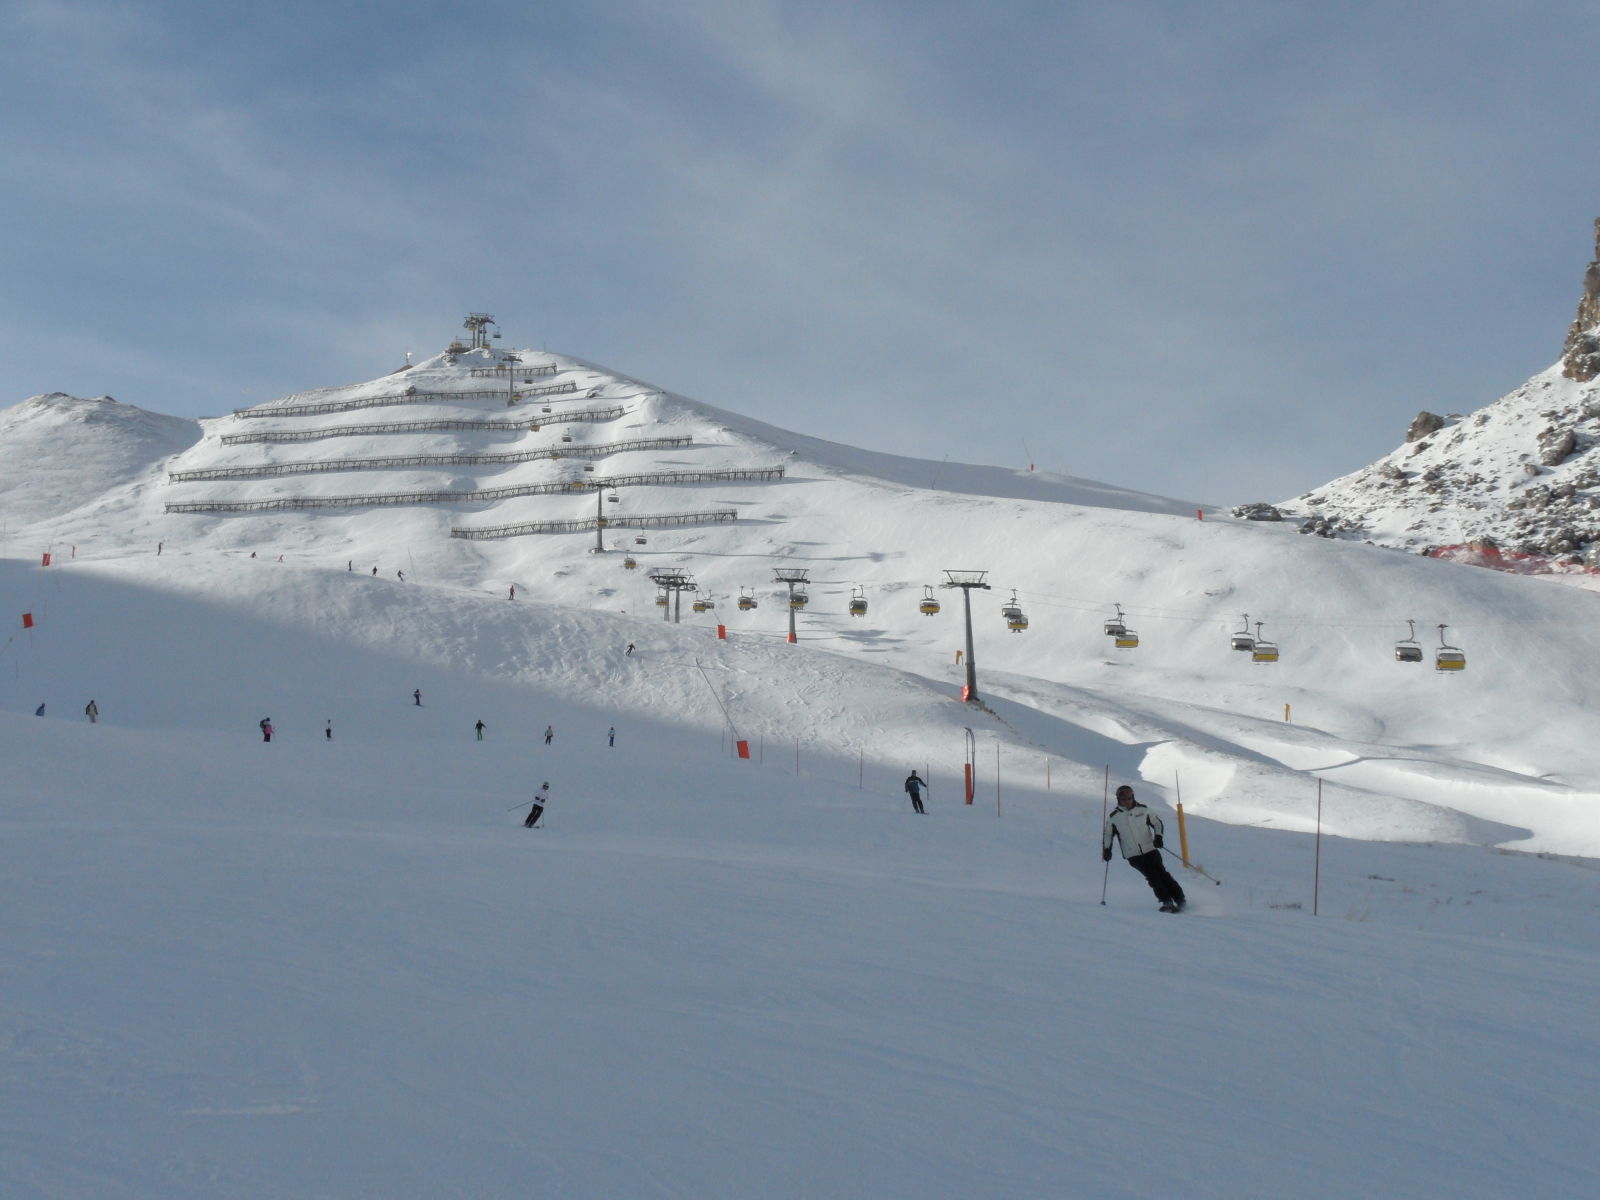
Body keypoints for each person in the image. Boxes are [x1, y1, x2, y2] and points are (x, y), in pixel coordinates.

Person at [1103, 785, 1186, 912]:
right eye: (1123, 798)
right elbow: (1108, 834)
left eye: (1129, 797)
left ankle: (1180, 900)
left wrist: (1158, 837)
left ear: (1133, 797)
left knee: (1162, 874)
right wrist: (1107, 850)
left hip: (1150, 848)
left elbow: (1157, 823)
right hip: (1132, 854)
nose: (1127, 801)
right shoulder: (1114, 817)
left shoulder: (1144, 810)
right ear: (1119, 800)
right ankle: (1167, 901)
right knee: (1152, 875)